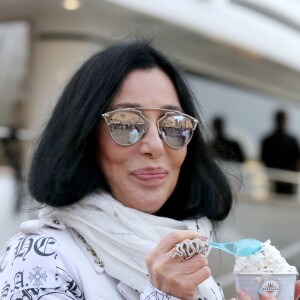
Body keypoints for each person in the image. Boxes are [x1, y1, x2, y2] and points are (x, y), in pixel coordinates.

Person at [0, 41, 299, 300]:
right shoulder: (39, 256)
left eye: (174, 125)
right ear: (85, 135)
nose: (155, 146)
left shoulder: (194, 253)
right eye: (127, 123)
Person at [261, 110, 300, 195]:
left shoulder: (267, 140)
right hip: (288, 181)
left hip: (274, 180)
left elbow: (264, 160)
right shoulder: (292, 141)